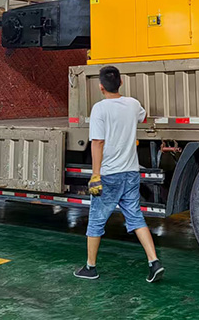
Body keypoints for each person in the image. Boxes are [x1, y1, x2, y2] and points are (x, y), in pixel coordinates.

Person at [74, 65, 165, 283]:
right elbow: (143, 117)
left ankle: (90, 267)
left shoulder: (99, 109)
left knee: (96, 220)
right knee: (135, 217)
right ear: (121, 83)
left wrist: (95, 175)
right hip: (131, 172)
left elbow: (97, 142)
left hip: (109, 174)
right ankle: (154, 262)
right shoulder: (132, 104)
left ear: (101, 87)